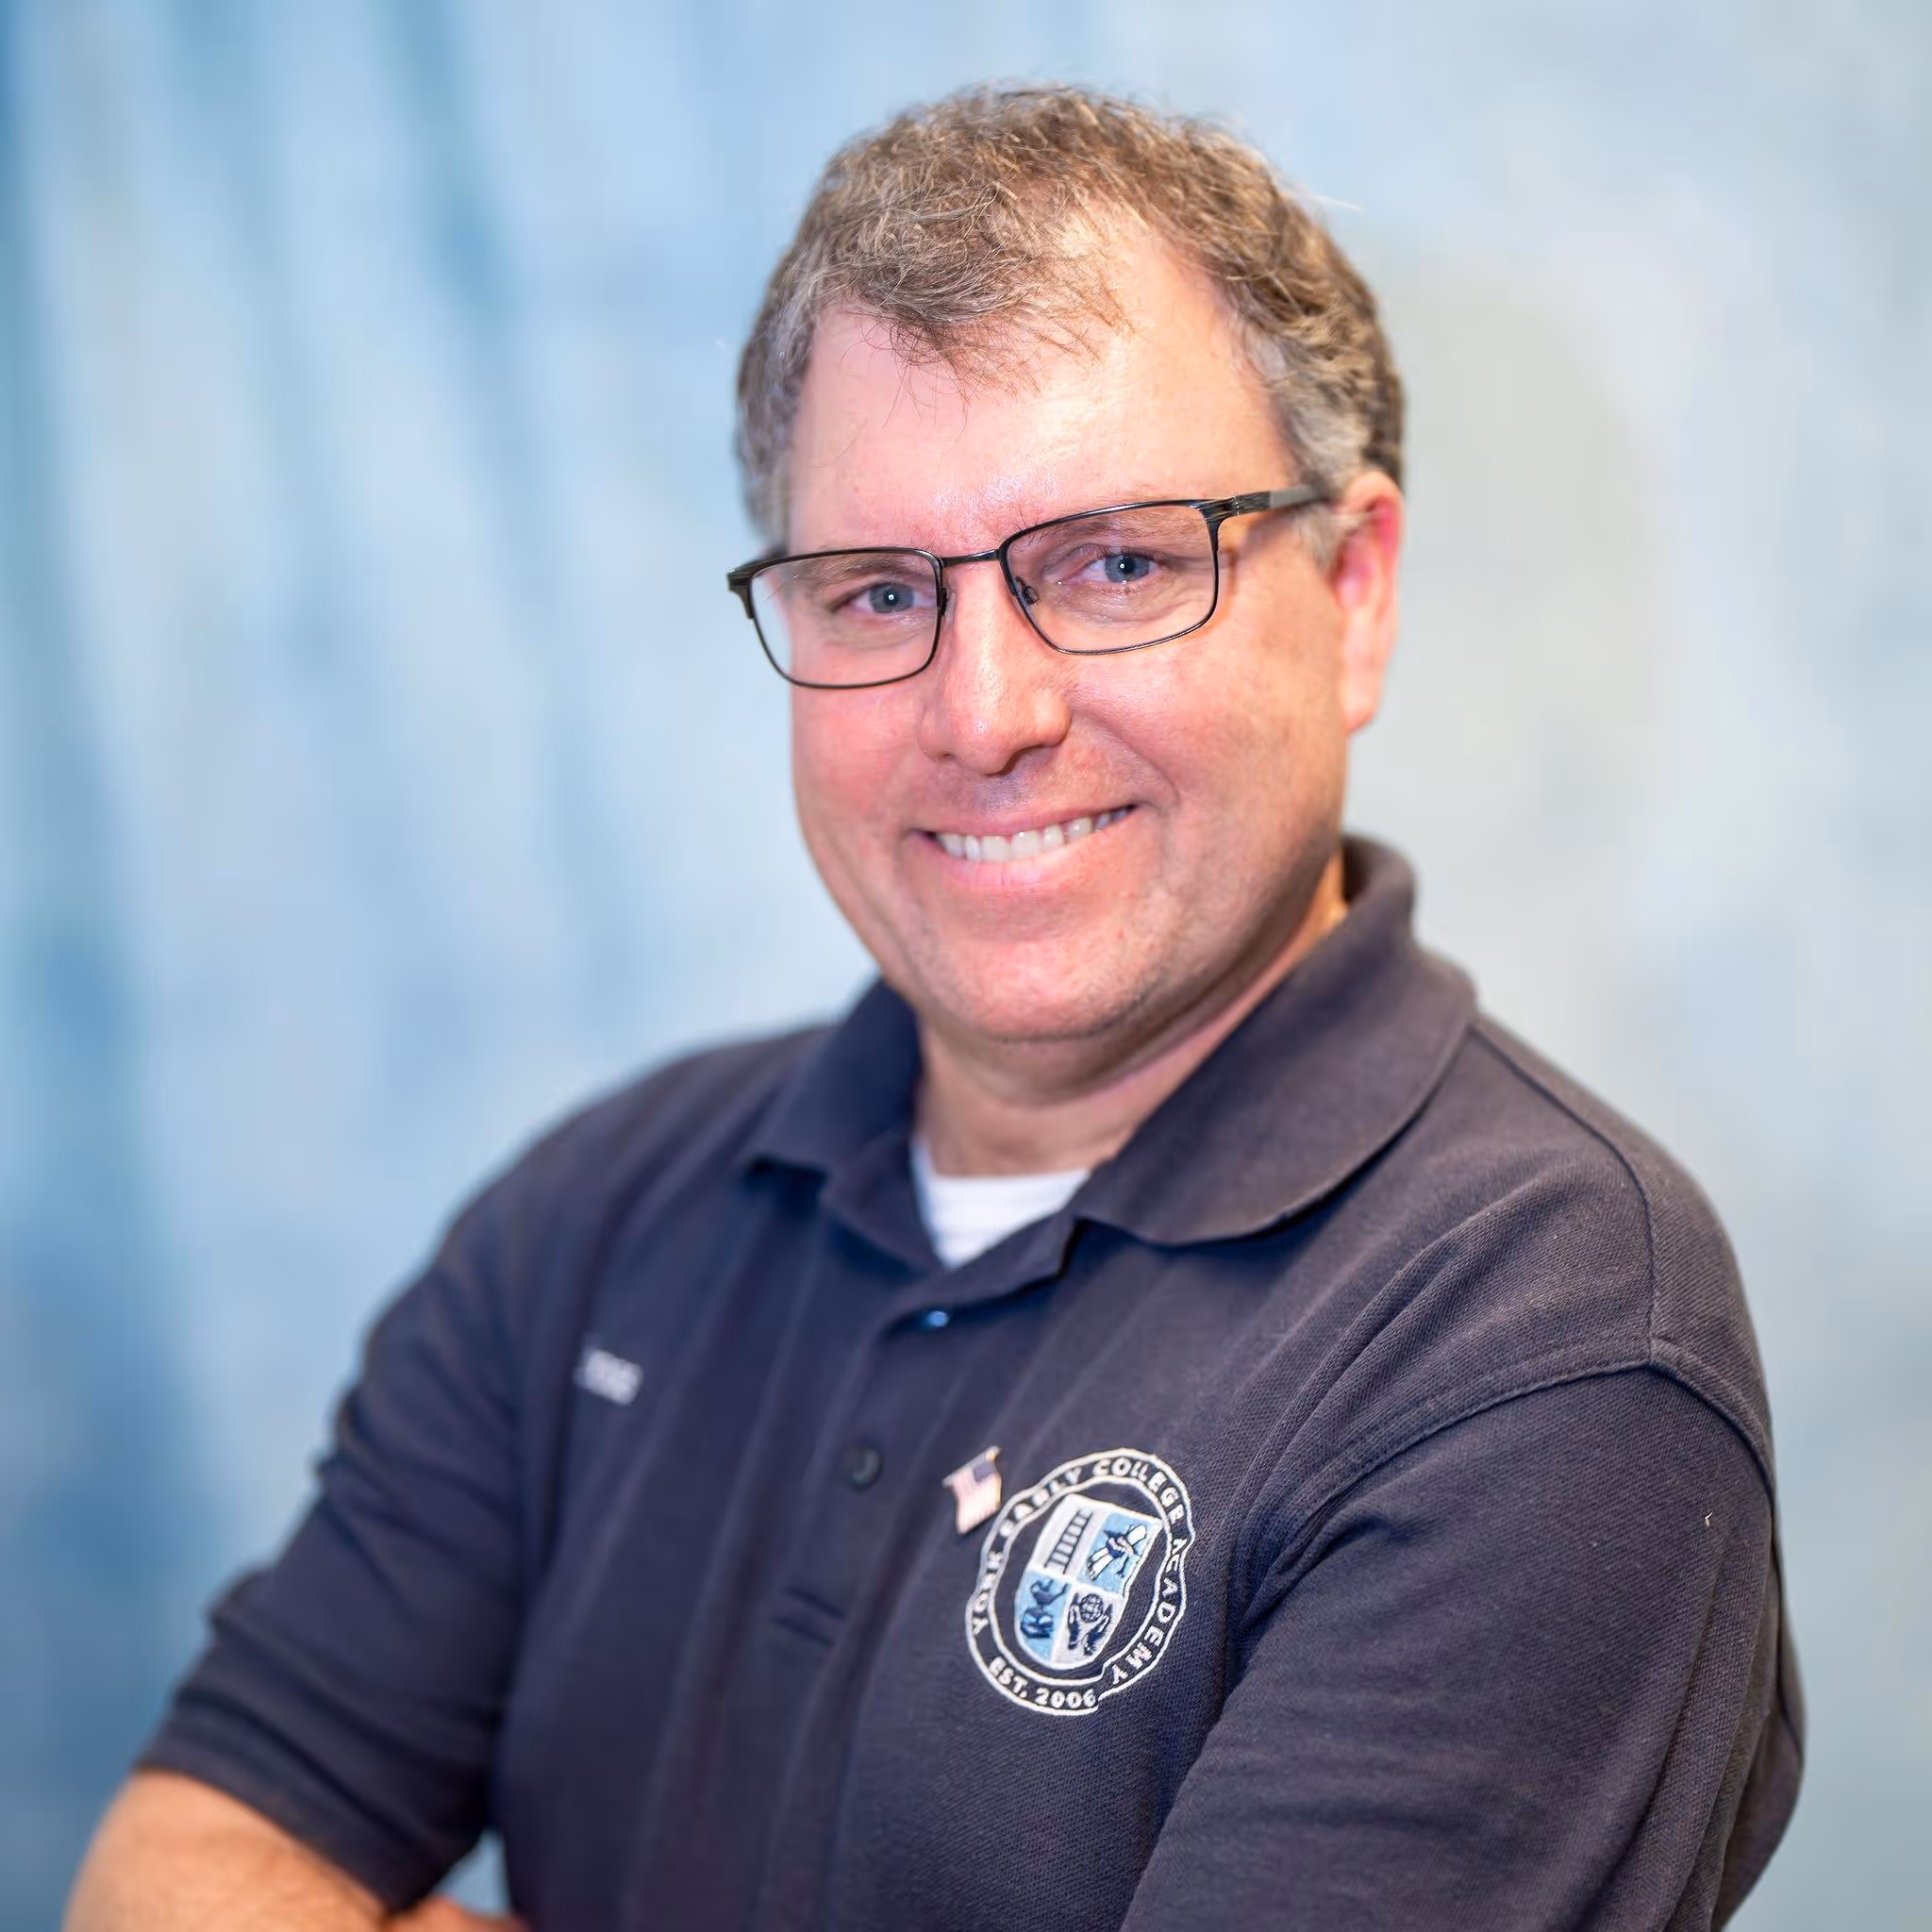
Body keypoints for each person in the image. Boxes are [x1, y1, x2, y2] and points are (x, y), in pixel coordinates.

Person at [65, 84, 1803, 1931]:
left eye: (1116, 564)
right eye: (878, 590)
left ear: (1353, 591)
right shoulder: (591, 1225)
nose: (983, 713)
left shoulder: (1546, 1344)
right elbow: (172, 1877)